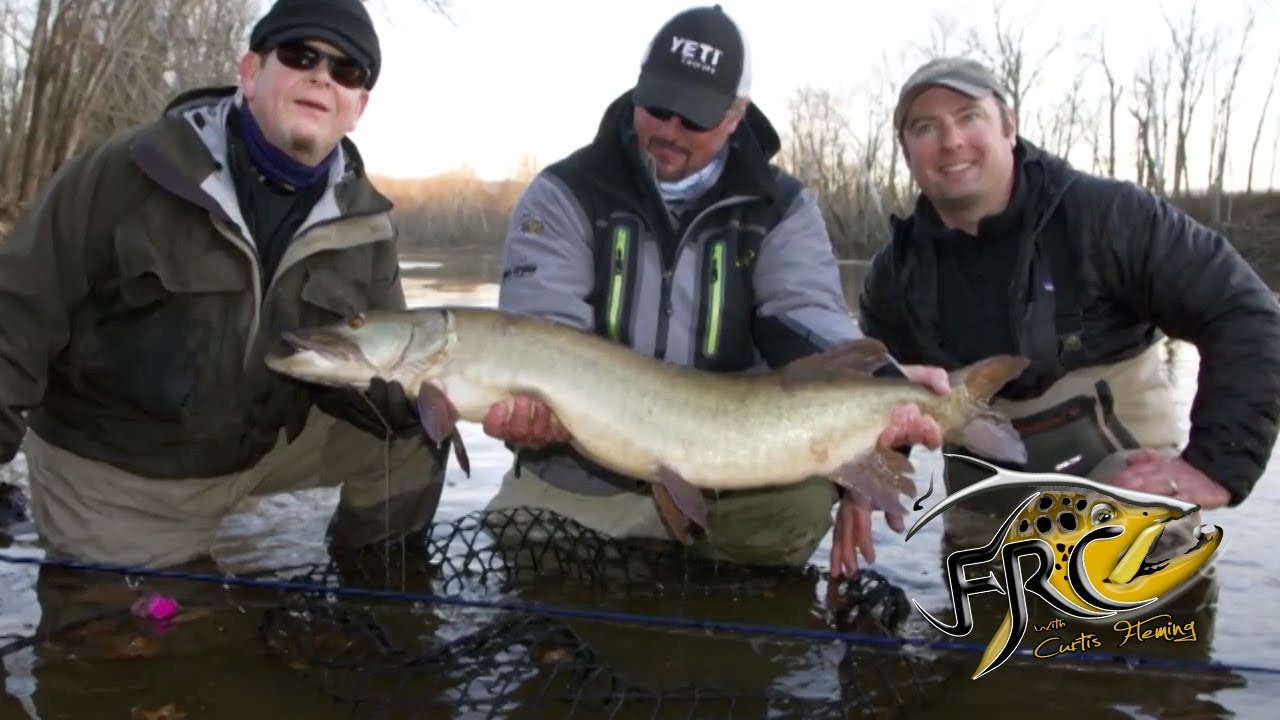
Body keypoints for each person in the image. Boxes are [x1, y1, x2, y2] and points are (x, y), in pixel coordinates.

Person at [481, 5, 950, 573]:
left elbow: (803, 315)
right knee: (525, 548)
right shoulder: (564, 194)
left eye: (695, 117)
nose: (669, 131)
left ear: (736, 116)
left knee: (798, 505)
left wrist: (882, 383)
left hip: (734, 472)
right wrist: (529, 410)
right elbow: (539, 338)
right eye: (657, 108)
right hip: (584, 470)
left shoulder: (782, 207)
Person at [0, 0, 446, 570]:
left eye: (346, 71)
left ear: (357, 107)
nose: (321, 77)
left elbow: (386, 376)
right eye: (300, 54)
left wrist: (458, 395)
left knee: (416, 437)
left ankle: (373, 594)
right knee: (141, 649)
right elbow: (14, 321)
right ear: (250, 72)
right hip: (123, 476)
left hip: (260, 451)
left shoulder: (367, 225)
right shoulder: (129, 168)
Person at [858, 56, 1280, 555]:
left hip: (1122, 484)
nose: (951, 141)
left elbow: (1245, 315)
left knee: (1117, 605)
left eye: (969, 117)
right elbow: (881, 398)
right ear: (907, 152)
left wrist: (1216, 466)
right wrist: (863, 488)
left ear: (1008, 127)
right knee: (986, 615)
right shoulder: (892, 275)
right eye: (926, 127)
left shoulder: (1111, 216)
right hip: (986, 501)